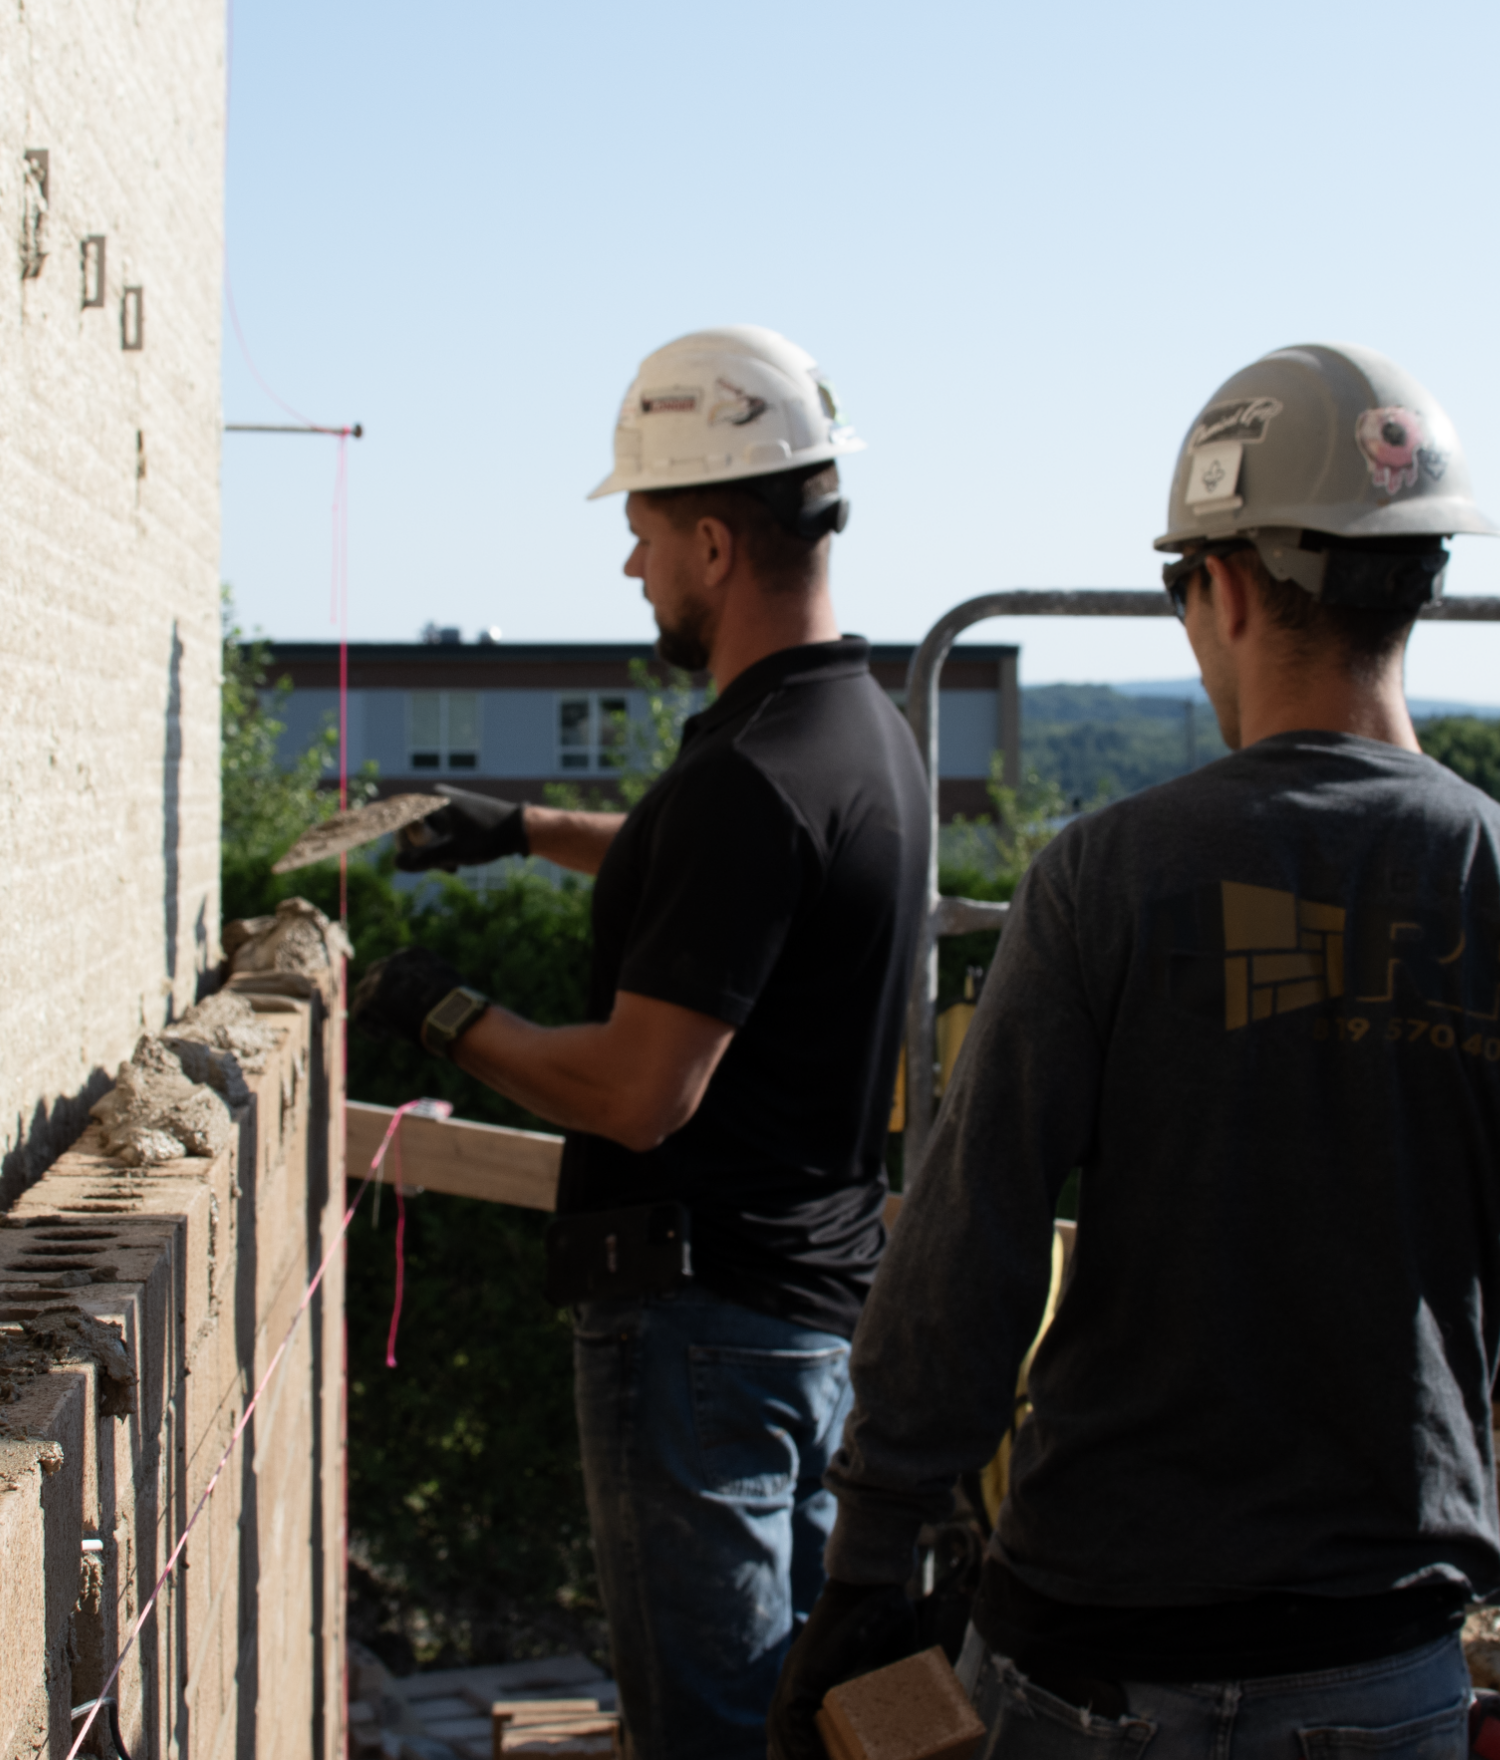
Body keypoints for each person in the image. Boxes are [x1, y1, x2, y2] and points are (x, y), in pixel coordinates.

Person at [769, 342, 1500, 1760]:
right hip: (1381, 1661)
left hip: (1096, 1662)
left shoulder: (1114, 876)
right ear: (1415, 583)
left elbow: (968, 1251)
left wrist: (865, 1575)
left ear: (1220, 584)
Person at [352, 326, 929, 1760]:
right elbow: (736, 893)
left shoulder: (752, 773)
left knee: (710, 1735)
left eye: (644, 532)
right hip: (807, 1324)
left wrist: (440, 1012)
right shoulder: (856, 734)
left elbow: (638, 1091)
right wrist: (524, 826)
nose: (631, 570)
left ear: (717, 544)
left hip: (699, 1330)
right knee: (798, 1725)